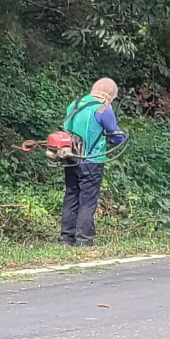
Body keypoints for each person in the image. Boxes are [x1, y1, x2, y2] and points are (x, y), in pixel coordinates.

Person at [58, 77, 127, 247]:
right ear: (111, 94)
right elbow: (117, 137)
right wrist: (120, 137)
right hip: (92, 161)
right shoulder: (103, 109)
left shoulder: (75, 104)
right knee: (87, 200)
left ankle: (67, 238)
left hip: (70, 157)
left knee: (71, 195)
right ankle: (84, 240)